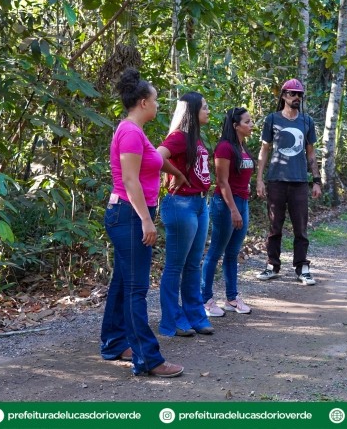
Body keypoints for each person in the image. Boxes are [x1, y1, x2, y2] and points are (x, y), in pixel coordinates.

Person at [100, 68, 184, 378]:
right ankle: (148, 359)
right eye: (156, 100)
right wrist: (147, 221)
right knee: (136, 289)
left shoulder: (134, 130)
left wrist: (177, 173)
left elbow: (154, 161)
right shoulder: (131, 132)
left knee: (123, 282)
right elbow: (130, 180)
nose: (158, 105)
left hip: (127, 214)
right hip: (130, 216)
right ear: (143, 102)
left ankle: (114, 342)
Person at [157, 91, 214, 337]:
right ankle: (173, 320)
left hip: (200, 204)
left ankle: (195, 315)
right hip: (181, 204)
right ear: (192, 111)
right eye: (204, 107)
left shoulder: (195, 138)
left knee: (193, 264)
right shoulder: (179, 137)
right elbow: (157, 156)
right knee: (175, 266)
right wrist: (177, 174)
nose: (208, 111)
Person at [255, 78, 322, 285]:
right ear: (284, 95)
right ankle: (272, 265)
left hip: (299, 181)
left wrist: (316, 180)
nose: (296, 97)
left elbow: (311, 153)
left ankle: (302, 267)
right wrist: (259, 179)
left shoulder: (307, 121)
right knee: (274, 225)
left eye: (299, 94)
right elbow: (264, 150)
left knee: (300, 227)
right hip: (276, 180)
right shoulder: (272, 119)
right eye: (292, 93)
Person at [201, 107, 256, 317]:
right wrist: (233, 210)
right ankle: (206, 300)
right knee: (216, 251)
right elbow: (222, 182)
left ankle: (231, 299)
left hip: (242, 202)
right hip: (226, 205)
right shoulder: (224, 148)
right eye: (247, 122)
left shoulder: (242, 147)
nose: (251, 125)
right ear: (235, 126)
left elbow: (240, 176)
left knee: (233, 252)